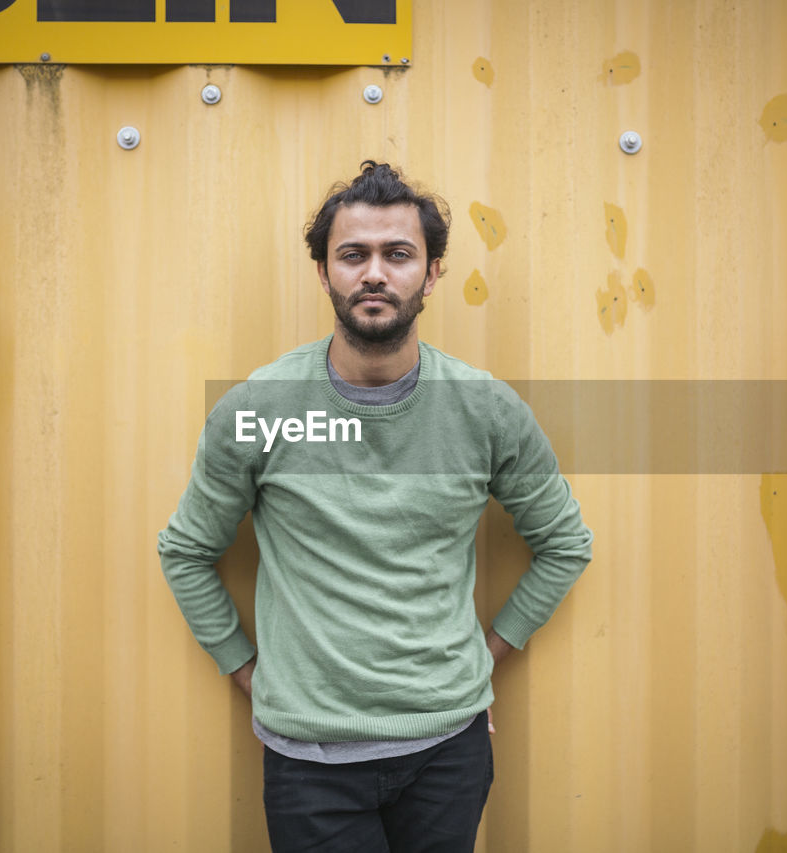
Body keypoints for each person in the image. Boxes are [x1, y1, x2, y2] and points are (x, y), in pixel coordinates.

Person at [158, 161, 593, 852]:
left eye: (398, 254)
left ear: (433, 270)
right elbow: (185, 549)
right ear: (324, 271)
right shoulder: (259, 408)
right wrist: (245, 667)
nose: (374, 273)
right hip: (309, 760)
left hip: (447, 752)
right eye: (352, 254)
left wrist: (484, 658)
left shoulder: (484, 409)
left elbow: (565, 542)